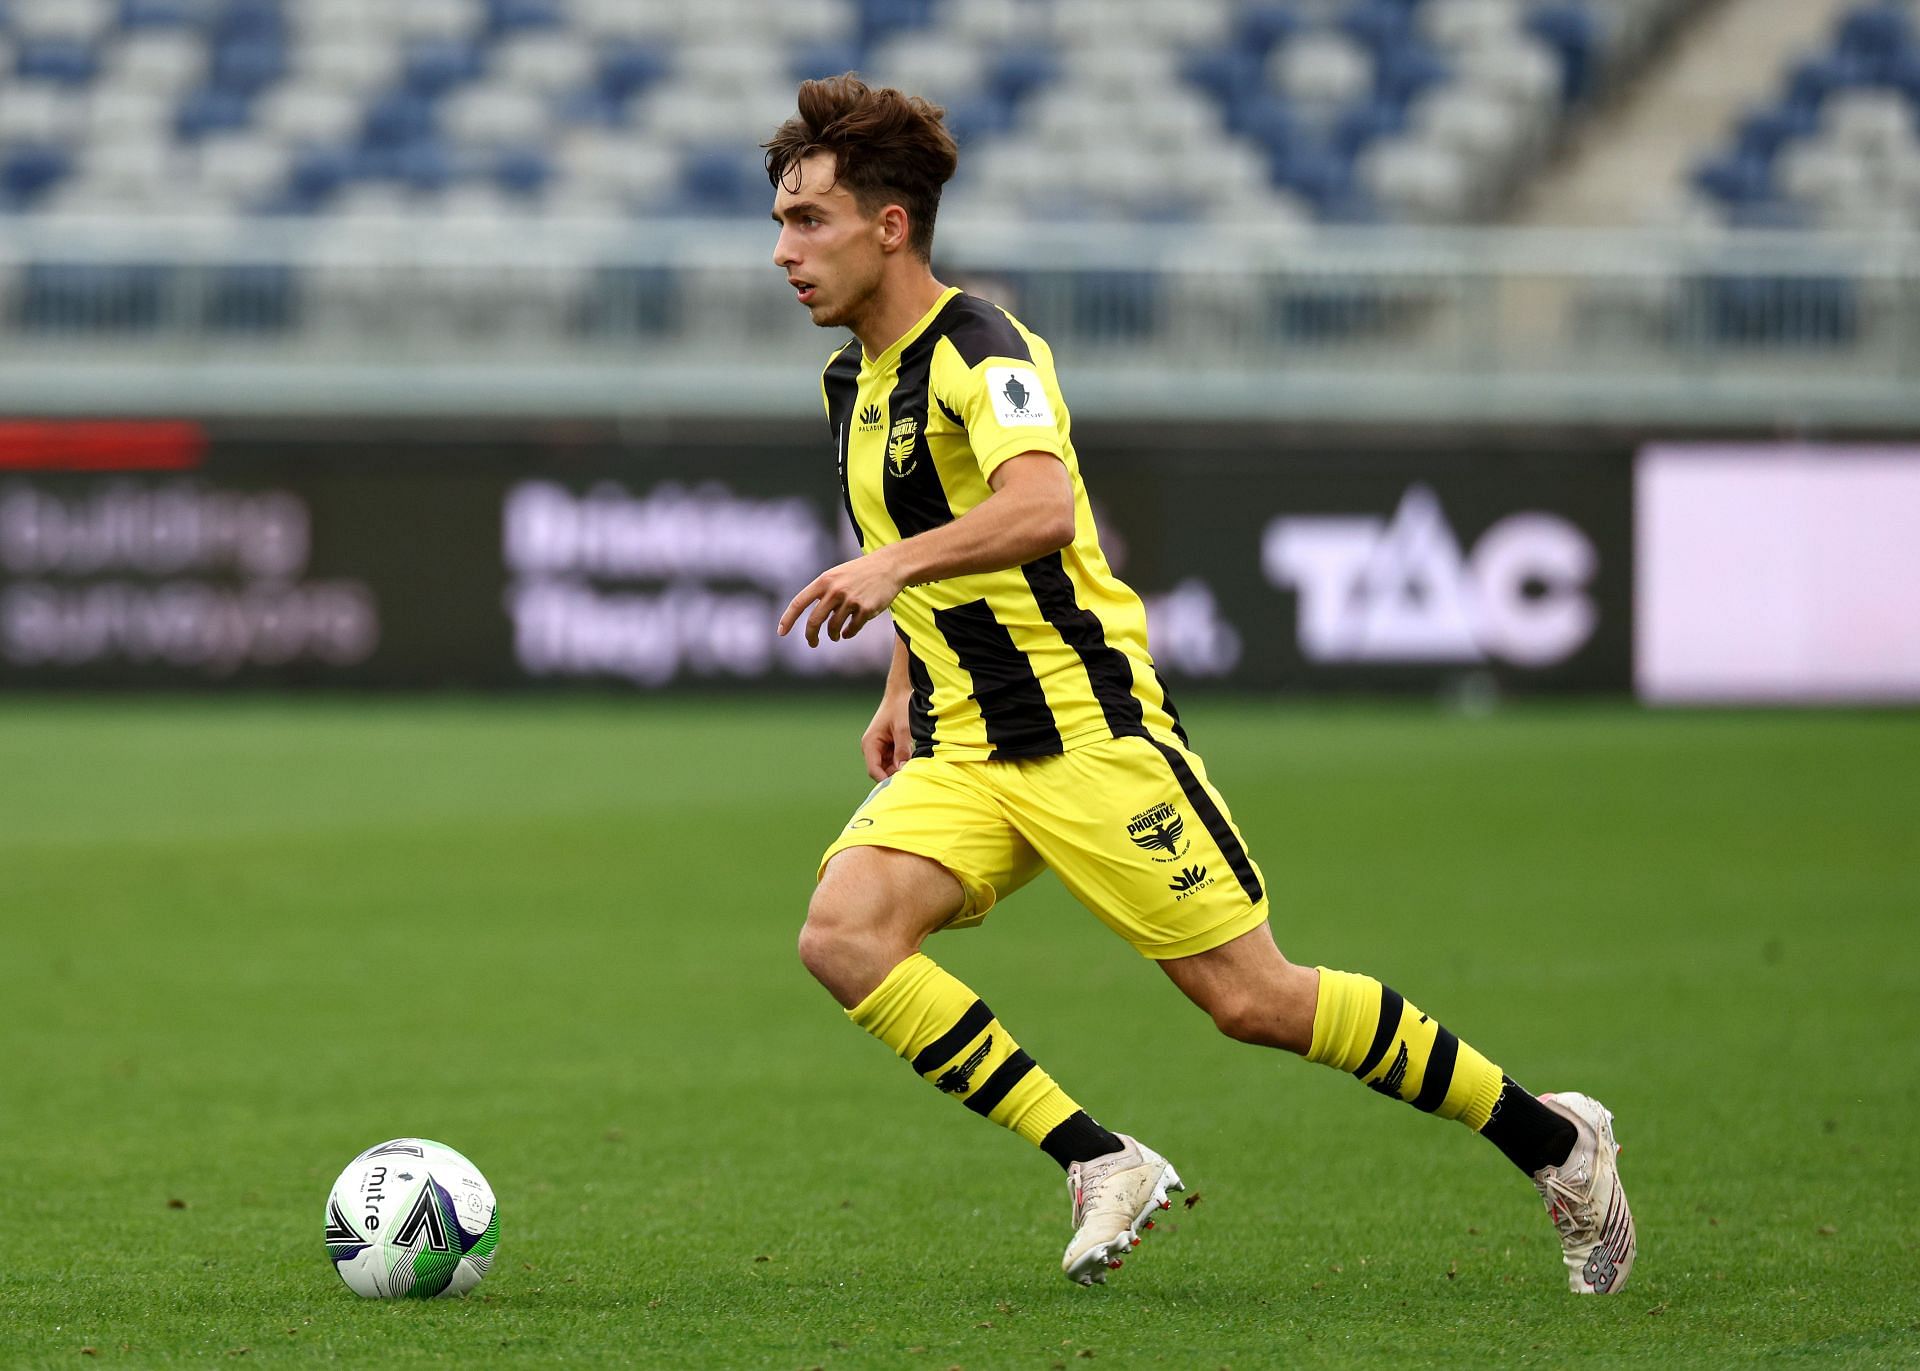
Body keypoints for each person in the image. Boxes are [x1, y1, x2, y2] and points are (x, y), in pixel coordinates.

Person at [764, 74, 1635, 1293]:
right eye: (780, 222)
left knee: (1253, 1000)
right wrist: (902, 674)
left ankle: (1557, 1141)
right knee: (843, 935)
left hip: (1087, 731)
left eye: (808, 220)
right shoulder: (853, 381)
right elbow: (924, 517)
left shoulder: (986, 349)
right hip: (967, 744)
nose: (783, 250)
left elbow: (1038, 504)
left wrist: (888, 566)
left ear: (890, 225)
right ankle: (1096, 1157)